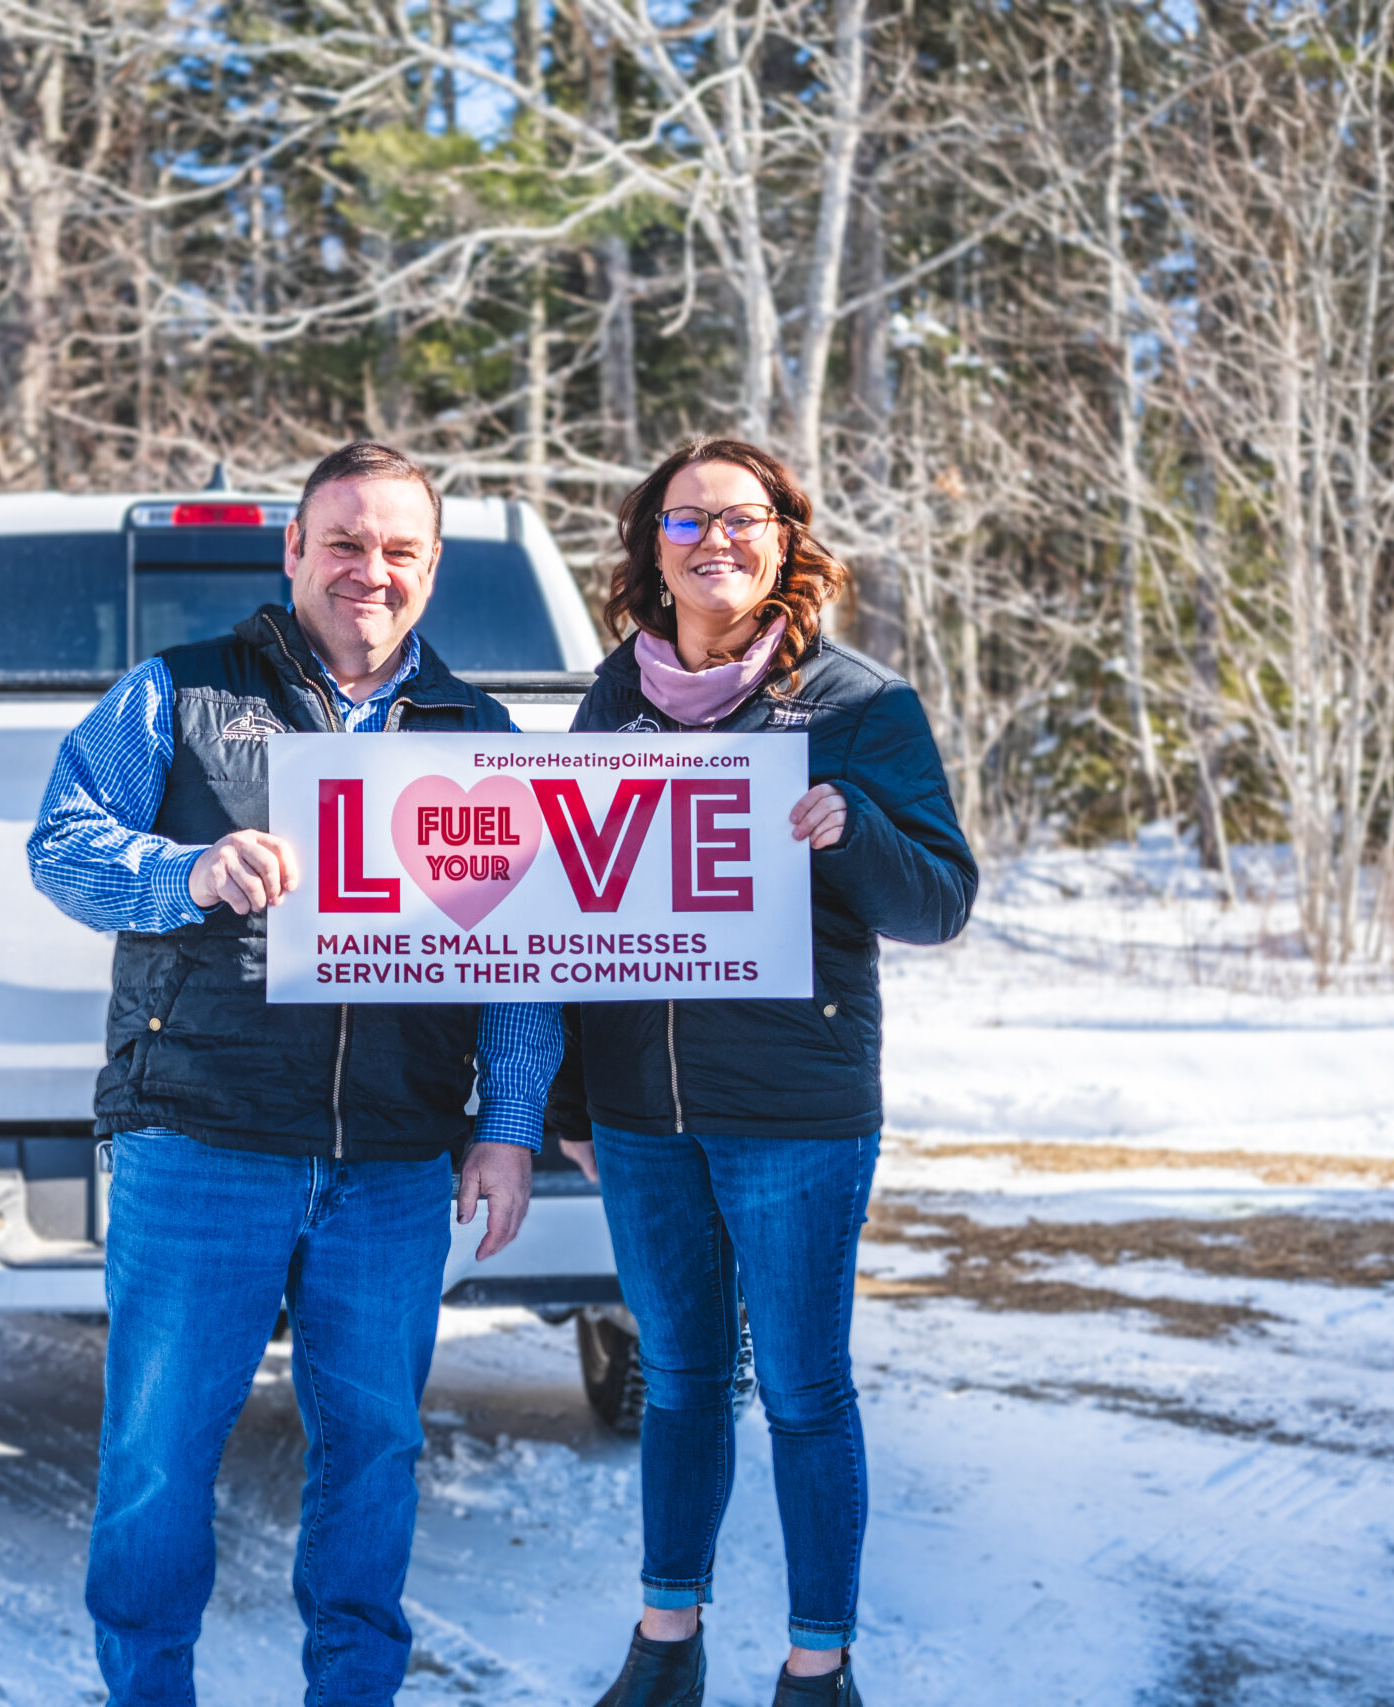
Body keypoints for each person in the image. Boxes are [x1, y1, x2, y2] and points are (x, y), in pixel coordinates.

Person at [26, 442, 560, 1705]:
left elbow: (523, 956)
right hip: (201, 1141)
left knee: (371, 1452)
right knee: (159, 1452)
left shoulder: (478, 736)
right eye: (343, 543)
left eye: (398, 551)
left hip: (388, 1160)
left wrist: (513, 1122)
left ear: (428, 572)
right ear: (293, 552)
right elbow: (61, 845)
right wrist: (185, 874)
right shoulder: (179, 693)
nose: (368, 571)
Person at [550, 439, 978, 1707]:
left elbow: (941, 900)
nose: (714, 542)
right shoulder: (610, 706)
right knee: (678, 1381)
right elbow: (566, 915)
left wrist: (854, 833)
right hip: (640, 1118)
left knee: (800, 1387)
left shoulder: (857, 707)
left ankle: (816, 1663)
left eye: (741, 519)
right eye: (686, 522)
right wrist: (574, 1102)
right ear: (651, 548)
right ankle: (665, 1643)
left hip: (795, 1113)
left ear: (786, 539)